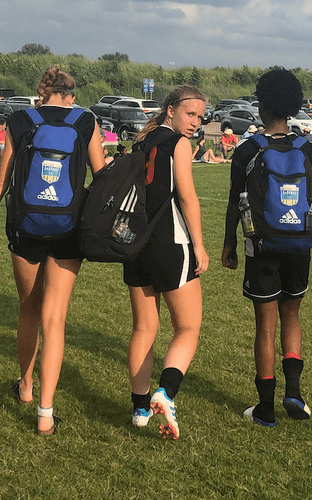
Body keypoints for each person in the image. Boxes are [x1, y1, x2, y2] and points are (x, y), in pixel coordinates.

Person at [0, 66, 105, 435]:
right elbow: (101, 175)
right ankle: (46, 413)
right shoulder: (85, 121)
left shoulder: (20, 120)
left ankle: (25, 387)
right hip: (68, 230)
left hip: (25, 226)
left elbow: (1, 181)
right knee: (54, 319)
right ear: (71, 96)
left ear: (42, 93)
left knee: (28, 309)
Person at [221, 68, 312, 427]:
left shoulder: (248, 148)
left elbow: (235, 202)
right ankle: (294, 394)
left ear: (262, 105)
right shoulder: (307, 146)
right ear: (294, 106)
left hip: (262, 244)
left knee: (264, 325)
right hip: (299, 243)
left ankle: (265, 408)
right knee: (293, 314)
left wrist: (229, 247)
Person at [124, 85, 209, 440]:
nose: (195, 123)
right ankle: (166, 392)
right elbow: (187, 197)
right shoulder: (178, 143)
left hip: (135, 244)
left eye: (201, 117)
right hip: (171, 243)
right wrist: (200, 246)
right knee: (188, 327)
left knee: (144, 328)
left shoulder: (143, 139)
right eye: (190, 114)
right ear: (171, 110)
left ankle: (140, 408)